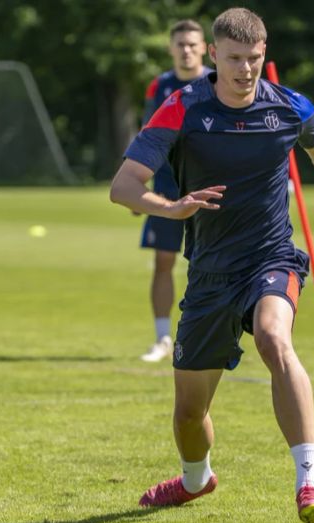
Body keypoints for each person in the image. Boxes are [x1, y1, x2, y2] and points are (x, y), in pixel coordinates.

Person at [110, 7, 314, 523]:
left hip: (270, 258)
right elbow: (124, 186)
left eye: (254, 59)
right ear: (213, 56)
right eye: (234, 59)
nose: (246, 70)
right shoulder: (182, 107)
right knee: (189, 414)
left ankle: (309, 481)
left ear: (264, 55)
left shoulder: (288, 107)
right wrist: (173, 207)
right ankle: (194, 479)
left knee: (275, 340)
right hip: (209, 275)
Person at [137, 19, 212, 363]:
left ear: (204, 48)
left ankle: (209, 335)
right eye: (180, 44)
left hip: (210, 188)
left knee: (211, 263)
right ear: (171, 48)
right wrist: (138, 185)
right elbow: (147, 136)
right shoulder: (160, 85)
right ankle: (162, 338)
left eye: (192, 44)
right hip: (167, 188)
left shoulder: (216, 82)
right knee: (163, 262)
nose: (186, 50)